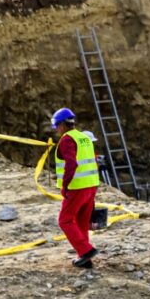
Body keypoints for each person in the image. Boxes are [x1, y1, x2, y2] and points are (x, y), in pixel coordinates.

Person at [51, 108, 101, 268]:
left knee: (64, 220)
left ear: (62, 125)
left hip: (77, 187)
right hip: (91, 185)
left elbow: (72, 163)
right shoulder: (84, 137)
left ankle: (86, 251)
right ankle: (85, 258)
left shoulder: (67, 139)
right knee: (81, 221)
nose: (56, 130)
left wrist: (65, 186)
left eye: (56, 127)